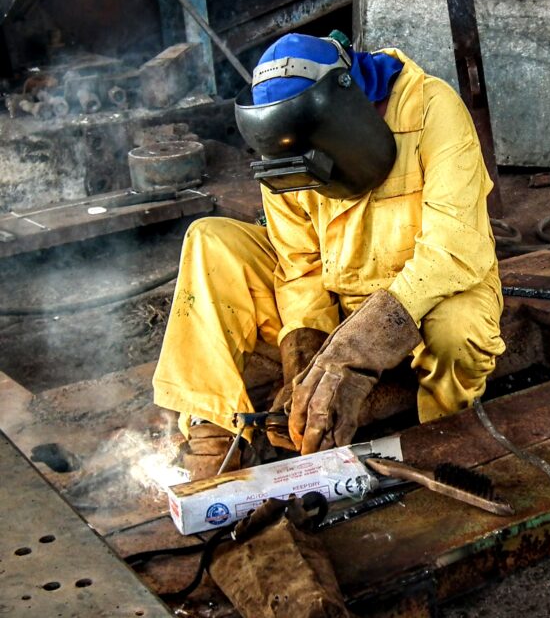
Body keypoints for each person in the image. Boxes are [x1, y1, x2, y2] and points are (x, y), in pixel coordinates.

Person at [152, 32, 505, 478]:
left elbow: (453, 250)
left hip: (428, 291)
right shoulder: (284, 145)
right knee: (211, 240)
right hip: (337, 296)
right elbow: (300, 266)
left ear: (347, 105)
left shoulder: (432, 108)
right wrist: (304, 366)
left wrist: (352, 353)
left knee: (460, 332)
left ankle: (436, 439)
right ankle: (213, 430)